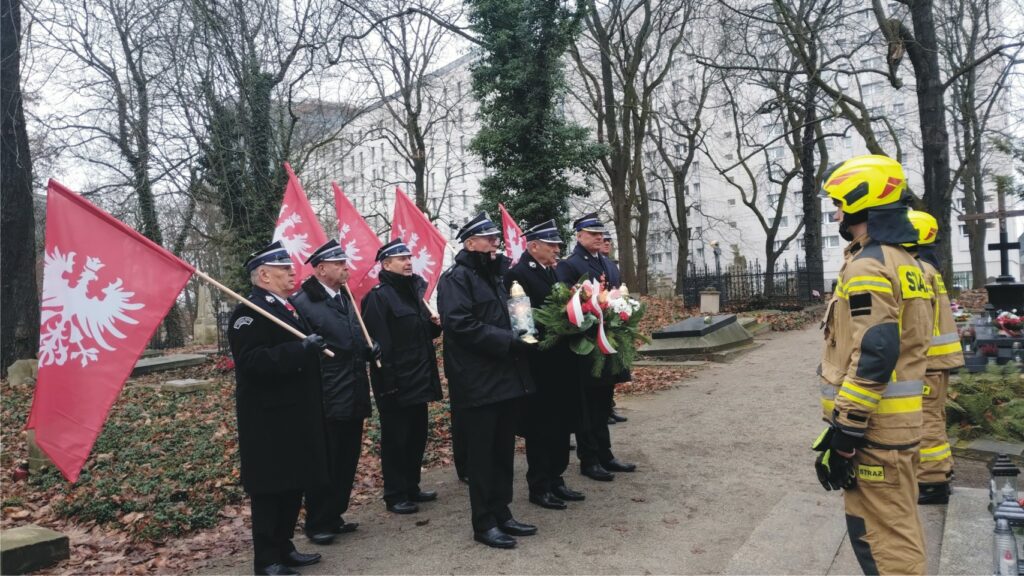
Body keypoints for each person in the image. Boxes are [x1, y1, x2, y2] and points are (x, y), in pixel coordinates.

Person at [816, 155, 932, 575]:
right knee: (898, 525)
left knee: (882, 541)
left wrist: (846, 431)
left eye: (839, 205)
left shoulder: (868, 265)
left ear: (859, 202)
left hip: (875, 429)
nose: (837, 215)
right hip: (898, 426)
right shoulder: (908, 262)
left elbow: (875, 353)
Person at [227, 240, 329, 576]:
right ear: (264, 276)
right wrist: (300, 350)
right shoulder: (248, 312)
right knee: (271, 490)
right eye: (284, 269)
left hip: (295, 414)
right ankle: (267, 559)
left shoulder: (286, 307)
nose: (292, 273)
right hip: (268, 419)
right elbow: (252, 362)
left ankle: (284, 547)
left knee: (293, 483)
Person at [437, 212, 537, 549]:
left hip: (505, 376)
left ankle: (502, 512)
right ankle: (484, 522)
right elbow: (459, 324)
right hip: (477, 382)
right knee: (482, 457)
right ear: (470, 243)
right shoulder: (456, 279)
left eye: (496, 237)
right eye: (489, 238)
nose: (496, 243)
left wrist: (525, 330)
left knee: (503, 452)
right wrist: (508, 340)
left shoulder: (496, 276)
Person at [289, 239, 375, 545]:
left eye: (344, 263)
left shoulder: (344, 296)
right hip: (327, 394)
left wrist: (368, 349)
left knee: (347, 459)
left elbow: (350, 338)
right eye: (339, 264)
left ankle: (335, 514)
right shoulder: (303, 302)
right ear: (321, 269)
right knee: (326, 461)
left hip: (353, 389)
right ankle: (317, 521)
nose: (345, 268)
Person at [504, 220, 586, 510]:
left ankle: (556, 478)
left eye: (558, 245)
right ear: (534, 245)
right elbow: (521, 320)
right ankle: (540, 485)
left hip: (562, 361)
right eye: (551, 245)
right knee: (542, 427)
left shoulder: (553, 271)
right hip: (540, 363)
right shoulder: (517, 275)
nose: (556, 250)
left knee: (562, 424)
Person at [361, 238, 444, 515]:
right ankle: (395, 494)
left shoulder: (413, 292)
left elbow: (416, 334)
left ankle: (411, 486)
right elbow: (380, 345)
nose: (408, 262)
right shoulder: (378, 297)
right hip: (396, 383)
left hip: (419, 378)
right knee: (396, 440)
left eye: (409, 258)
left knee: (416, 436)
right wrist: (388, 385)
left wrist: (434, 327)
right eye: (401, 259)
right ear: (386, 265)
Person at [556, 213, 636, 482]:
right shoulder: (569, 265)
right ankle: (589, 459)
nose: (599, 237)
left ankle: (605, 454)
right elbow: (567, 305)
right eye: (593, 233)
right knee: (587, 407)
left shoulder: (607, 263)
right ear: (579, 235)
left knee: (603, 404)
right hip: (587, 345)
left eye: (601, 233)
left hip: (607, 342)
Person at [904, 210, 964, 505]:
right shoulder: (930, 267)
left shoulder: (918, 271)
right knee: (934, 417)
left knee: (926, 420)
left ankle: (931, 481)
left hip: (927, 361)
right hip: (937, 361)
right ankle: (942, 471)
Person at [600, 231, 629, 426]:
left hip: (614, 317)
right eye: (604, 240)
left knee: (613, 370)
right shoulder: (598, 263)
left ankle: (610, 405)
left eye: (609, 241)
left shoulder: (610, 264)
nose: (606, 243)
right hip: (602, 318)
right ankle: (606, 407)